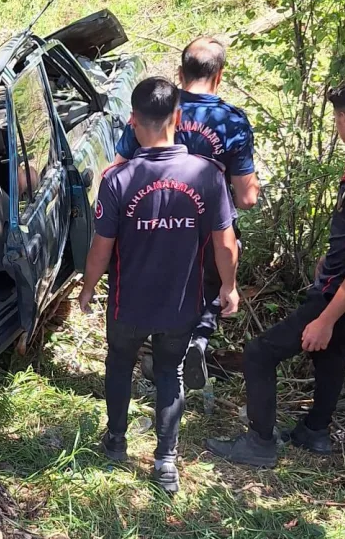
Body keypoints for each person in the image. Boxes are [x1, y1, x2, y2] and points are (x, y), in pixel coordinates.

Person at [205, 75, 345, 466]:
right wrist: (330, 261)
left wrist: (327, 317)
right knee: (330, 353)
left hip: (343, 294)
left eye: (336, 117)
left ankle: (260, 443)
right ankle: (314, 431)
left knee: (260, 354)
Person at [78, 76, 240, 494]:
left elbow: (101, 247)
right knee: (169, 372)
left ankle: (116, 441)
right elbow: (226, 243)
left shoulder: (118, 180)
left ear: (132, 121)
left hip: (127, 302)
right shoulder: (207, 175)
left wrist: (88, 287)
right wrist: (229, 287)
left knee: (119, 363)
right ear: (178, 118)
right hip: (181, 302)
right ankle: (165, 462)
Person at [111, 37, 259, 390]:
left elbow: (117, 167)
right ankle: (196, 342)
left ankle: (154, 353)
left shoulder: (156, 108)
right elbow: (248, 197)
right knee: (210, 287)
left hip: (150, 226)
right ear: (219, 76)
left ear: (180, 72)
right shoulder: (232, 122)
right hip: (208, 230)